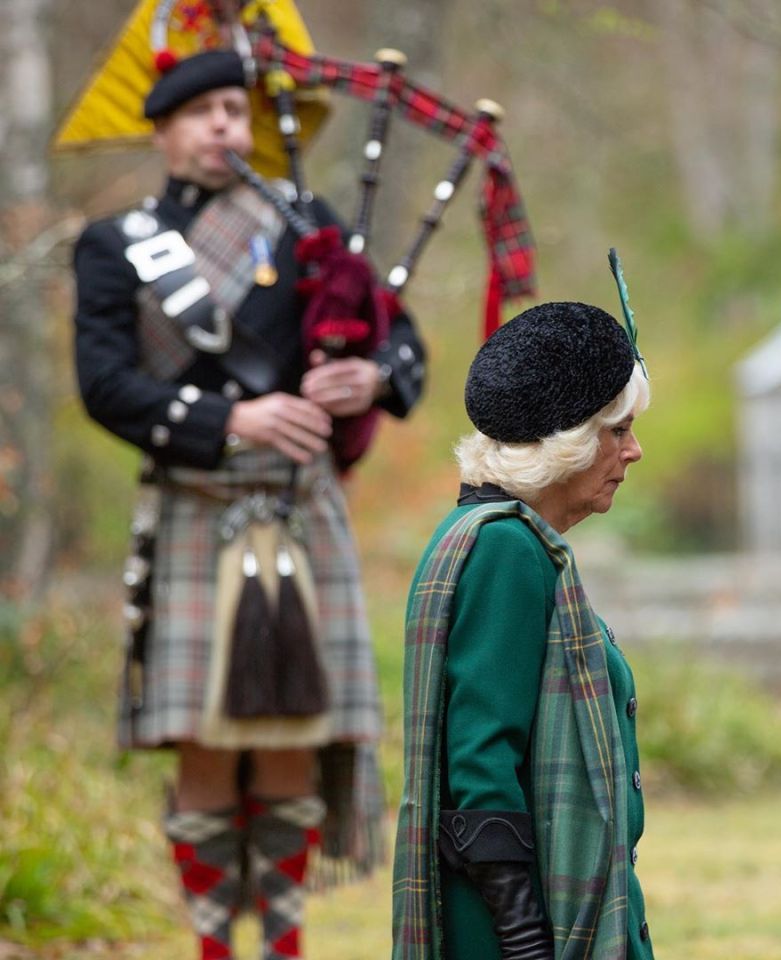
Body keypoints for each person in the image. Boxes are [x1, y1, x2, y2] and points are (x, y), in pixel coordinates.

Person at [73, 49, 425, 960]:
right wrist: (238, 417)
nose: (224, 125)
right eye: (201, 112)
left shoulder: (308, 223)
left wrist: (369, 374)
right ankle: (212, 947)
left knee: (294, 734)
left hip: (300, 508)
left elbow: (405, 345)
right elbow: (105, 385)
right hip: (196, 501)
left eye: (235, 108)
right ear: (164, 129)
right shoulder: (119, 244)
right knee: (199, 737)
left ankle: (283, 943)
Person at [392, 298, 655, 959]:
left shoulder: (505, 540)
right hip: (523, 928)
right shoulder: (505, 551)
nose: (635, 450)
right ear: (566, 445)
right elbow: (482, 761)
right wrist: (526, 939)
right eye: (617, 430)